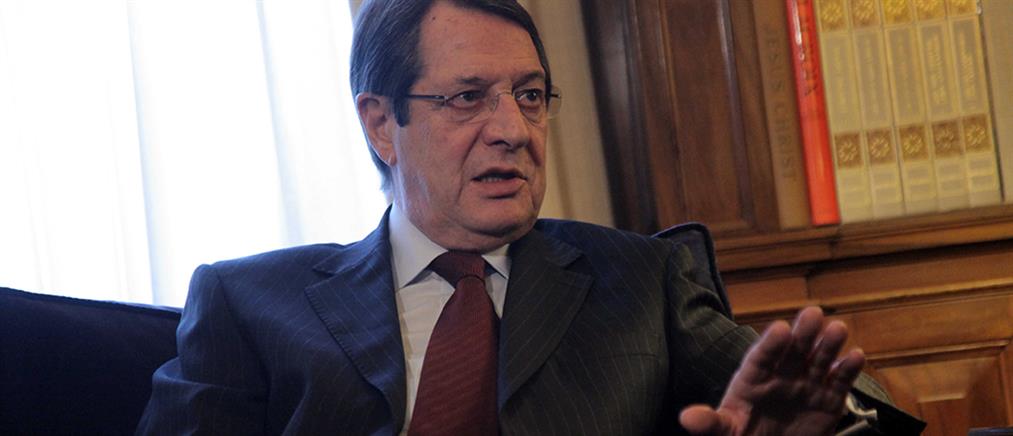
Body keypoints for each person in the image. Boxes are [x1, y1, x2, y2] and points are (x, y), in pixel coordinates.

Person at [139, 0, 922, 434]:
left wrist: (834, 426)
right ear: (380, 124)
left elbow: (831, 401)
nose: (513, 129)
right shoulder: (250, 304)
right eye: (467, 97)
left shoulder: (638, 282)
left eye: (530, 95)